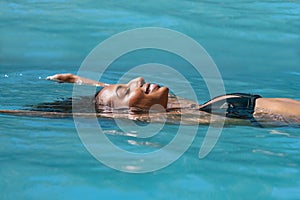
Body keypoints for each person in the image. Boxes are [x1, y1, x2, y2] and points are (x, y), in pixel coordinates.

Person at [43, 73, 300, 127]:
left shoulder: (176, 103)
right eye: (126, 90)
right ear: (134, 114)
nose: (138, 79)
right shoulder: (167, 115)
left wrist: (79, 80)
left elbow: (106, 92)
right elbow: (91, 114)